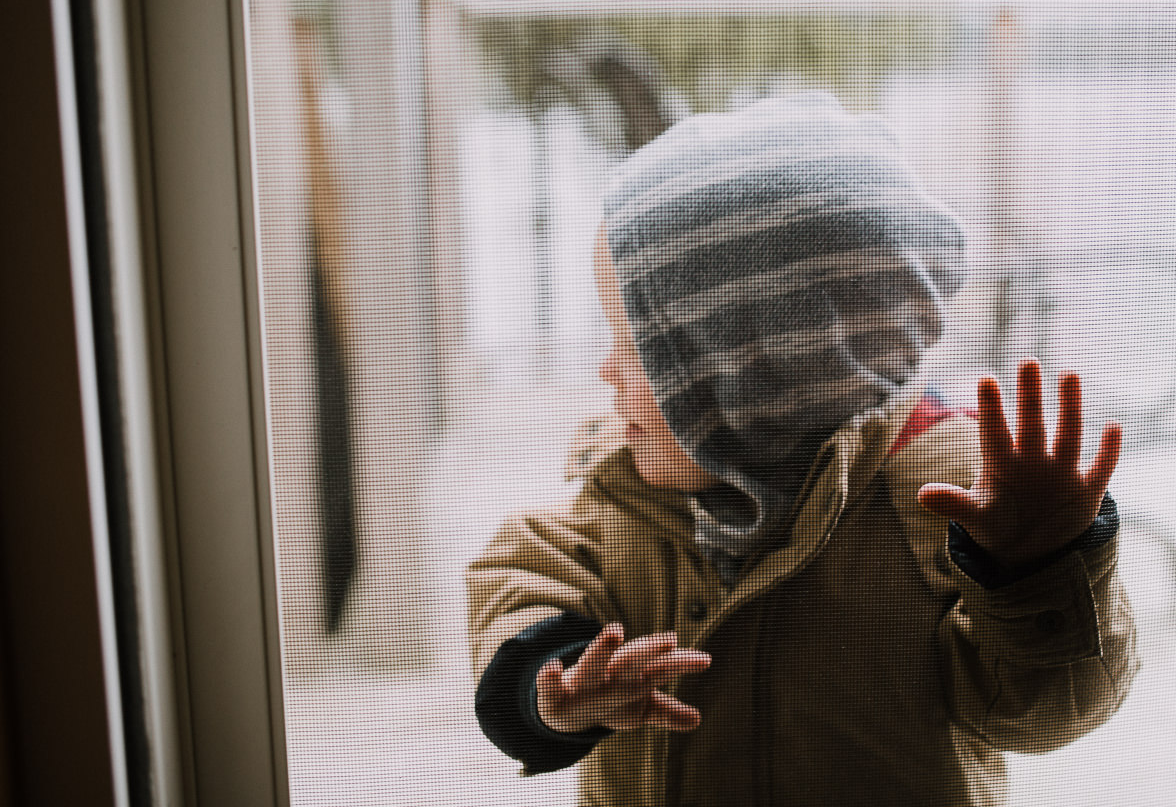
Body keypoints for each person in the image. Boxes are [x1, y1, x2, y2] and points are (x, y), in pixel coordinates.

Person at [467, 91, 1138, 806]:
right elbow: (520, 580)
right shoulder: (627, 498)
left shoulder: (947, 503)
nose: (606, 371)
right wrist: (551, 686)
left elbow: (1038, 716)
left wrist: (1035, 574)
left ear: (753, 377)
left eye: (639, 352)